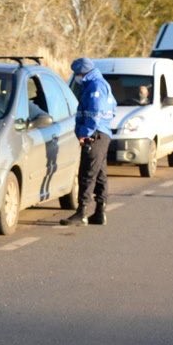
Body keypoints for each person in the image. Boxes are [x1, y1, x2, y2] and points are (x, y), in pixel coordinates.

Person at [61, 57, 116, 226]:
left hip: (95, 135)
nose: (76, 77)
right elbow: (113, 108)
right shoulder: (100, 83)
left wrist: (84, 132)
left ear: (82, 73)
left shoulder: (95, 86)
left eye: (77, 73)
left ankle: (82, 212)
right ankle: (100, 212)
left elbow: (94, 113)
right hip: (102, 134)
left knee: (87, 173)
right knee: (99, 174)